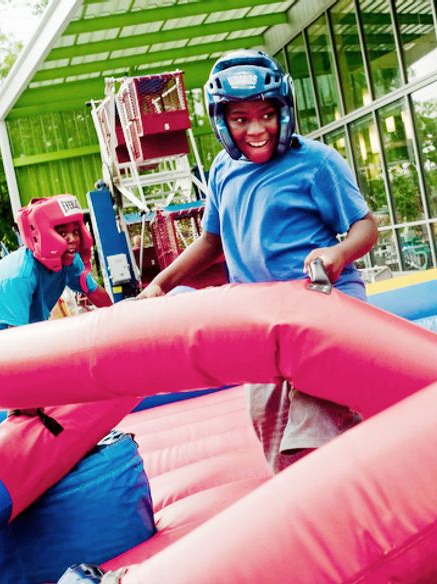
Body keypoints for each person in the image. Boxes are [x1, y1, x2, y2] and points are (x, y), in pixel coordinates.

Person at [138, 50, 378, 473]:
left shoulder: (316, 163)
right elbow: (211, 240)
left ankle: (348, 502)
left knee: (315, 431)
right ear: (222, 123)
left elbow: (365, 226)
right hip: (261, 322)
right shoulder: (222, 170)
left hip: (322, 311)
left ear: (284, 110)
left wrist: (338, 254)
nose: (256, 129)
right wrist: (162, 283)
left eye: (266, 114)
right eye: (240, 119)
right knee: (271, 432)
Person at [0, 194, 112, 341]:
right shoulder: (19, 274)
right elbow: (18, 336)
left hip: (22, 324)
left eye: (76, 232)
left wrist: (117, 318)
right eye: (63, 233)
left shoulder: (70, 260)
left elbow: (94, 292)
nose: (72, 239)